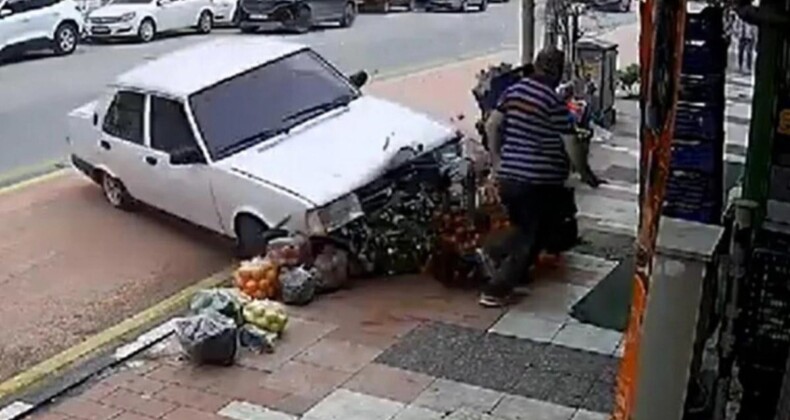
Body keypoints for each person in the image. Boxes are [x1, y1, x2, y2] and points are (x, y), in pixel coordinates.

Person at [478, 48, 595, 308]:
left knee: (528, 226)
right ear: (555, 71)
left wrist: (497, 160)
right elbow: (571, 143)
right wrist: (585, 173)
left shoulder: (514, 91)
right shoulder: (552, 102)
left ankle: (515, 272)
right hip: (538, 181)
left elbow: (492, 125)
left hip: (510, 175)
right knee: (528, 233)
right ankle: (496, 288)